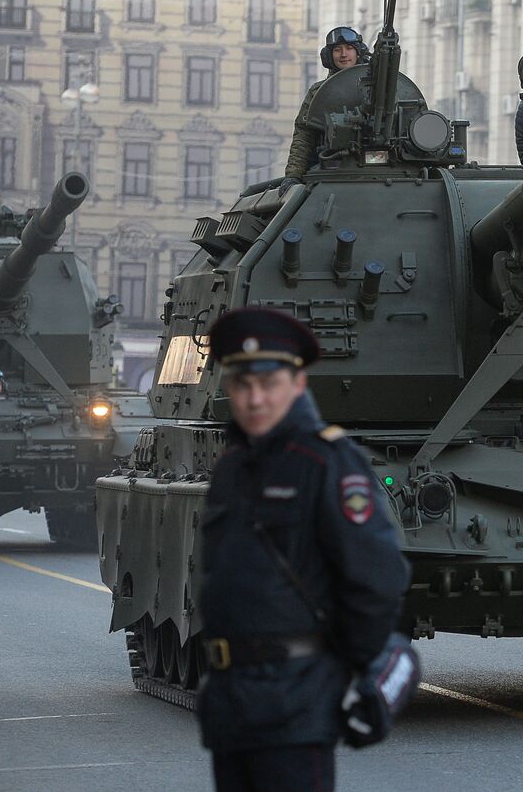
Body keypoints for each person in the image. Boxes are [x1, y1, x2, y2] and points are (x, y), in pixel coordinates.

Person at [196, 307, 409, 792]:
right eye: (242, 384)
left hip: (296, 699)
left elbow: (376, 577)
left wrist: (345, 671)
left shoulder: (326, 461)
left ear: (297, 383)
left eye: (268, 384)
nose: (254, 399)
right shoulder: (232, 469)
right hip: (232, 703)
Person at [283, 27, 371, 182]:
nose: (344, 54)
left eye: (349, 48)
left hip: (373, 166)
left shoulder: (377, 87)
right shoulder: (319, 92)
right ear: (328, 56)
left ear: (359, 52)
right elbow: (304, 135)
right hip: (330, 167)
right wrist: (293, 175)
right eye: (337, 50)